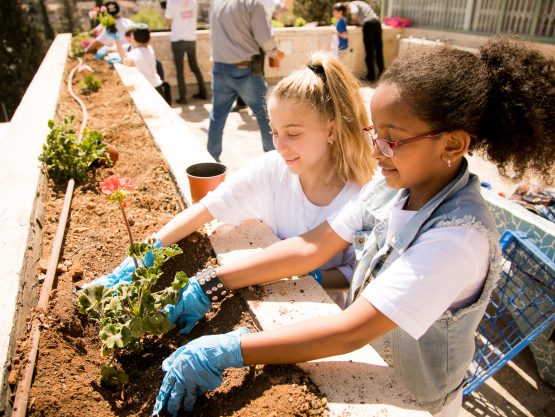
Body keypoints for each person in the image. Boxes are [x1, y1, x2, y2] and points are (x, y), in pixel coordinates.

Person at [150, 36, 555, 417]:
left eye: (392, 140)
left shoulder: (456, 239)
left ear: (452, 145)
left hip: (411, 402)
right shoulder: (388, 188)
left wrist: (229, 350)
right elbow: (313, 247)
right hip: (369, 370)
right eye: (374, 134)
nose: (376, 152)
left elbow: (349, 331)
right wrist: (211, 281)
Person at [87, 52, 375, 303]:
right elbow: (205, 209)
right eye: (274, 132)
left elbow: (355, 273)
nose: (280, 145)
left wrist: (311, 275)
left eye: (294, 133)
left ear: (331, 130)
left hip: (319, 316)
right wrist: (140, 259)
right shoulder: (270, 169)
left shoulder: (360, 196)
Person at [206, 0, 284, 162]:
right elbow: (265, 38)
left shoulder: (217, 3)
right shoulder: (253, 3)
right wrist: (274, 53)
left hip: (219, 68)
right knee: (266, 114)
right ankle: (274, 160)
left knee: (217, 115)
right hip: (244, 70)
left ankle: (211, 160)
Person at [165, 0, 207, 105]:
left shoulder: (172, 2)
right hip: (191, 38)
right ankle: (203, 92)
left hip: (177, 39)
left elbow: (168, 21)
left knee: (180, 70)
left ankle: (183, 97)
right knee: (195, 67)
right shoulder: (193, 1)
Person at [122, 24, 172, 104]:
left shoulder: (133, 55)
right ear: (149, 39)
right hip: (158, 87)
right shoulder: (150, 49)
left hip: (147, 90)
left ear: (132, 38)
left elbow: (125, 61)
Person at [347, 0, 383, 81]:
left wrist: (353, 20)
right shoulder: (362, 3)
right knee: (379, 51)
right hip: (377, 23)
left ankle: (371, 76)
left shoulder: (352, 4)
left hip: (369, 25)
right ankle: (382, 74)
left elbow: (354, 11)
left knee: (369, 51)